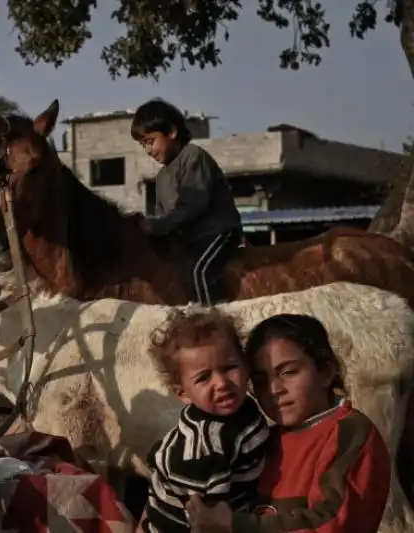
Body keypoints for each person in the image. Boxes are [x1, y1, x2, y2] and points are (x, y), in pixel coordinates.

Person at [185, 314, 392, 533]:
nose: (275, 390)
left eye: (289, 372)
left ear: (326, 371)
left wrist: (236, 525)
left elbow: (333, 524)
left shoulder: (349, 434)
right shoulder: (264, 439)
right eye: (260, 380)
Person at [142, 309, 270, 533]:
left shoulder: (243, 409)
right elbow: (204, 518)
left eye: (229, 368)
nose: (221, 383)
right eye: (203, 378)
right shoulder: (205, 448)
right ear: (181, 393)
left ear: (245, 366)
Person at [131, 98, 242, 306]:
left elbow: (193, 206)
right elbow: (166, 217)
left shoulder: (193, 156)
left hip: (216, 233)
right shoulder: (162, 176)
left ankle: (209, 321)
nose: (147, 150)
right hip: (190, 241)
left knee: (197, 271)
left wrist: (155, 225)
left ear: (171, 132)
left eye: (150, 141)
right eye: (142, 144)